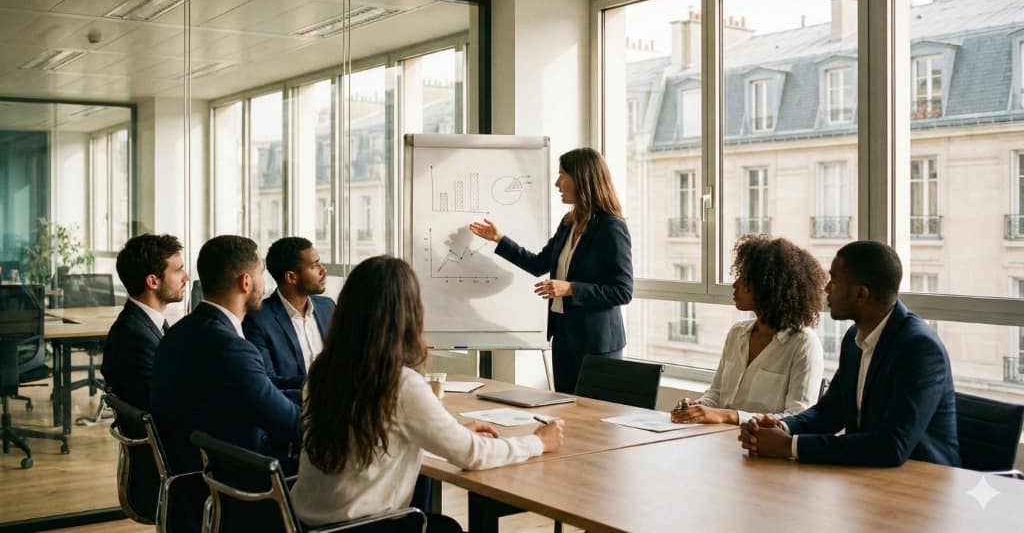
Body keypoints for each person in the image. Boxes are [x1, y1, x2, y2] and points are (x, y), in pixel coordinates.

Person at [291, 256, 563, 532]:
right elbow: (472, 455)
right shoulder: (399, 383)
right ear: (407, 314)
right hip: (362, 527)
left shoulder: (323, 372)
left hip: (309, 524)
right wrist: (538, 442)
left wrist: (452, 433)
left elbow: (377, 442)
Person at [739, 240, 960, 467]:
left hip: (924, 479)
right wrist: (781, 428)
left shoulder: (919, 348)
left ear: (860, 294)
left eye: (834, 281)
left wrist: (789, 446)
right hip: (868, 475)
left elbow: (892, 446)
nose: (826, 289)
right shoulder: (854, 338)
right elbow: (831, 412)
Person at [470, 147, 633, 393]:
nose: (557, 183)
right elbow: (538, 264)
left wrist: (571, 289)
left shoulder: (611, 228)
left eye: (562, 175)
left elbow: (623, 291)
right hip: (564, 338)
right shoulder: (569, 223)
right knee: (565, 410)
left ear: (581, 179)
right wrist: (499, 239)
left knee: (594, 414)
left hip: (598, 345)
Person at [150, 235, 301, 476]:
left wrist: (312, 390)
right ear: (246, 282)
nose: (265, 283)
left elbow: (259, 388)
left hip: (194, 468)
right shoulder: (230, 348)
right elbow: (291, 422)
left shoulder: (181, 330)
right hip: (239, 477)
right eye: (261, 273)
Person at [671, 235, 825, 425]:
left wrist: (730, 416)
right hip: (717, 437)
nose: (734, 285)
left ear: (768, 286)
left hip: (761, 442)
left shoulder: (804, 344)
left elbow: (798, 417)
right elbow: (716, 395)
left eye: (744, 279)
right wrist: (696, 408)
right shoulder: (737, 333)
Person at [102, 234, 189, 411]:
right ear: (153, 282)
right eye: (178, 270)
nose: (186, 277)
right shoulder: (134, 338)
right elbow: (162, 404)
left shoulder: (142, 324)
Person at [243, 237, 334, 389]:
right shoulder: (257, 319)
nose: (323, 270)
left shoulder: (327, 307)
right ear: (291, 277)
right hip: (294, 402)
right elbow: (268, 381)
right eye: (314, 266)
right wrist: (322, 382)